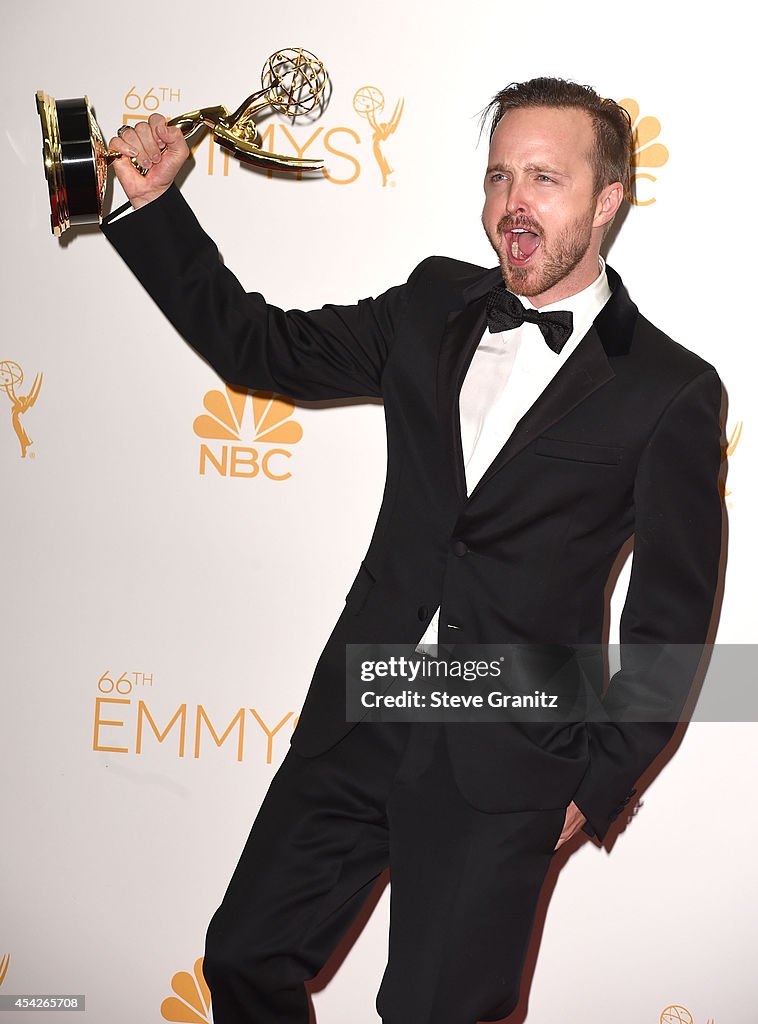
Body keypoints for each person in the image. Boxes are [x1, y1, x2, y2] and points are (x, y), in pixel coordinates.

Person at [101, 77, 724, 1024]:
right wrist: (157, 208)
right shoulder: (434, 302)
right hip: (369, 700)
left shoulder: (670, 389)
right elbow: (263, 349)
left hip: (510, 745)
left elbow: (670, 621)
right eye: (499, 177)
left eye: (545, 179)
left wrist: (597, 784)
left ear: (607, 201)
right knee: (244, 956)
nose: (513, 203)